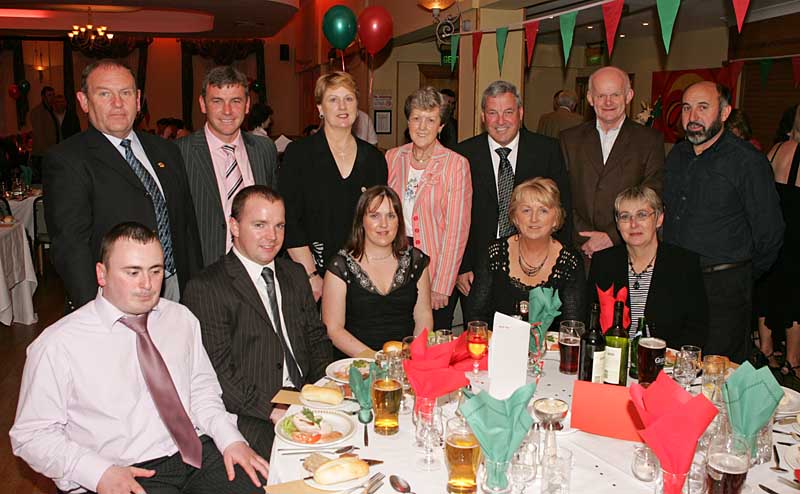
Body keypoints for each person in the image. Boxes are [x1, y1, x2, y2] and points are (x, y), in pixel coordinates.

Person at [10, 222, 270, 494]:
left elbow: (202, 391)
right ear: (102, 274)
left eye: (155, 271)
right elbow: (31, 436)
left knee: (262, 484)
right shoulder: (59, 344)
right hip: (123, 470)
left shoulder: (180, 319)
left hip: (196, 452)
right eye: (132, 272)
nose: (147, 284)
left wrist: (230, 440)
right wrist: (98, 473)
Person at [182, 185, 333, 458]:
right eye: (260, 225)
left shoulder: (295, 274)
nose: (272, 237)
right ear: (234, 227)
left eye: (279, 226)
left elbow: (316, 338)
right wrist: (272, 409)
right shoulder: (207, 288)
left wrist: (324, 388)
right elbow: (219, 372)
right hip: (253, 413)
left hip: (307, 396)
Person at [43, 59, 202, 309]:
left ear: (138, 100)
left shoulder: (166, 150)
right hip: (115, 299)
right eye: (104, 93)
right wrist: (95, 312)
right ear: (84, 101)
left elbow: (186, 226)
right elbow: (70, 247)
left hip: (174, 288)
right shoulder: (67, 160)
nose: (117, 103)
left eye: (125, 93)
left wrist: (195, 290)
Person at [663, 81, 784, 363]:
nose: (693, 117)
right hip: (678, 281)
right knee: (674, 366)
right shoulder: (677, 155)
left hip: (724, 289)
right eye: (686, 108)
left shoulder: (747, 162)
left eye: (703, 108)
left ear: (725, 112)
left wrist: (739, 273)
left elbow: (771, 233)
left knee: (717, 374)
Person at [455, 80, 570, 319]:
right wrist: (462, 266)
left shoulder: (547, 150)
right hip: (478, 268)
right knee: (480, 338)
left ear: (520, 113)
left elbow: (561, 208)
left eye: (508, 112)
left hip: (535, 266)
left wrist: (554, 266)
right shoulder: (463, 155)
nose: (500, 121)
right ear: (483, 116)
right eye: (492, 113)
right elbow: (456, 216)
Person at [280, 72, 388, 301]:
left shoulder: (374, 159)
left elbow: (379, 220)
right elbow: (288, 219)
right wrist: (311, 276)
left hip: (361, 275)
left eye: (348, 98)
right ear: (320, 107)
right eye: (333, 99)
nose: (342, 106)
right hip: (310, 275)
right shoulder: (299, 155)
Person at [387, 87, 472, 330]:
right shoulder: (393, 158)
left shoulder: (455, 165)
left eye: (430, 119)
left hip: (433, 268)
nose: (422, 126)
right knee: (396, 336)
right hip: (394, 264)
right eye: (416, 118)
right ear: (408, 121)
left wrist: (442, 285)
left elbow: (457, 230)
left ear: (441, 126)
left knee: (429, 342)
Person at [177, 66, 278, 268]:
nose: (227, 111)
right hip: (205, 274)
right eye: (217, 101)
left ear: (247, 104)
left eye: (236, 101)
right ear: (202, 104)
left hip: (259, 269)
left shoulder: (264, 149)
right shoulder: (180, 153)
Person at [560, 66, 664, 262]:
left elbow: (653, 196)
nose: (608, 102)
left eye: (615, 95)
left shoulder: (649, 141)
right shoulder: (569, 139)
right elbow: (562, 195)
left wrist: (611, 236)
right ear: (590, 98)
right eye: (601, 96)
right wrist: (582, 236)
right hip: (580, 249)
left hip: (628, 250)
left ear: (629, 95)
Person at [587, 186, 707, 348]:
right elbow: (590, 320)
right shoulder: (604, 262)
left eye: (642, 215)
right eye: (625, 216)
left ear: (659, 219)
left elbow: (696, 330)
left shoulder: (684, 264)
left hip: (665, 363)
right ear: (617, 223)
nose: (633, 224)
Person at [323, 186, 433, 357]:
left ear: (399, 221)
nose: (384, 224)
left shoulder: (416, 261)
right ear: (361, 220)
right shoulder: (340, 266)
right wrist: (376, 360)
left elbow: (424, 316)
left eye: (391, 216)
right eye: (375, 216)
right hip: (356, 364)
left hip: (406, 362)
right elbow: (333, 329)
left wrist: (413, 354)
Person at [470, 178, 586, 326]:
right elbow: (476, 316)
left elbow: (573, 326)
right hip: (498, 345)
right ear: (515, 217)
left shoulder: (570, 261)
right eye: (526, 210)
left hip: (551, 347)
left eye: (543, 210)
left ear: (556, 218)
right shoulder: (494, 253)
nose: (534, 219)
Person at [759, 105, 800, 376]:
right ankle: (793, 360)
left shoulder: (774, 150)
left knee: (768, 289)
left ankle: (765, 348)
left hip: (772, 231)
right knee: (795, 297)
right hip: (797, 235)